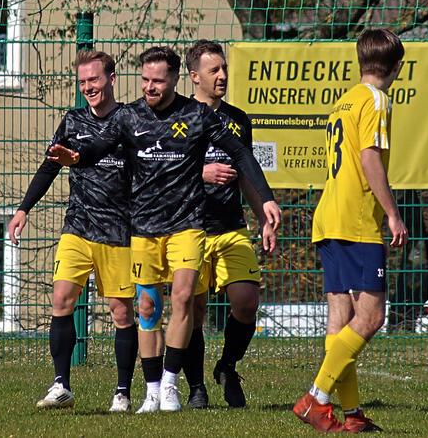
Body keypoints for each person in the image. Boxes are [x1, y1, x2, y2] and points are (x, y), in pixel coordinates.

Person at [47, 46, 281, 413]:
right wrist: (76, 157)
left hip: (187, 224)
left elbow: (239, 152)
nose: (149, 87)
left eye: (157, 81)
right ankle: (152, 389)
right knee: (147, 308)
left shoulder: (197, 115)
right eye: (145, 81)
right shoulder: (129, 118)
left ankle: (172, 384)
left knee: (184, 297)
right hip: (143, 227)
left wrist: (265, 199)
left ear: (174, 80)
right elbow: (100, 145)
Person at [6, 50, 138, 413]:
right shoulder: (73, 120)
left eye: (94, 80)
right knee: (62, 300)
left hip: (118, 230)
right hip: (78, 226)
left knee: (121, 313)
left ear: (111, 78)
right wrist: (23, 209)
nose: (88, 88)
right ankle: (61, 384)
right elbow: (49, 167)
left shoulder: (130, 120)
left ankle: (123, 392)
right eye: (82, 83)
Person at [293, 29, 409, 433]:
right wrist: (392, 213)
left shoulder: (344, 101)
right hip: (357, 219)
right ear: (396, 66)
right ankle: (317, 398)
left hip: (328, 217)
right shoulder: (377, 100)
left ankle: (353, 415)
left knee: (340, 319)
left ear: (361, 63)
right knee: (371, 317)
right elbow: (370, 158)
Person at [181, 40, 276, 409]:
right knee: (194, 309)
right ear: (194, 76)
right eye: (213, 70)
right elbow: (163, 171)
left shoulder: (238, 120)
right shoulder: (180, 118)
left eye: (224, 68)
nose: (222, 76)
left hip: (231, 227)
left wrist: (263, 215)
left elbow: (246, 176)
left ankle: (228, 365)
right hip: (190, 227)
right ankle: (196, 387)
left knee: (246, 301)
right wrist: (200, 171)